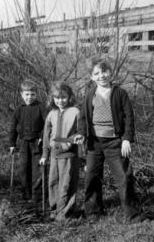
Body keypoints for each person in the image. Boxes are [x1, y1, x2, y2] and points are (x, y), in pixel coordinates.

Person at [74, 57, 142, 222]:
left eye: (104, 71)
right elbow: (83, 117)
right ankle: (93, 212)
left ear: (110, 72)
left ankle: (133, 214)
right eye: (96, 73)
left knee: (124, 176)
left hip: (115, 142)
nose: (101, 76)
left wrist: (126, 139)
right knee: (91, 176)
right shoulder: (90, 94)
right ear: (91, 77)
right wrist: (82, 133)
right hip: (94, 143)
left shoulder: (119, 93)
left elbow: (129, 117)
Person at [39, 81, 80, 221]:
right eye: (57, 98)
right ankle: (54, 210)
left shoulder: (75, 112)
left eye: (63, 97)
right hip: (54, 156)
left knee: (66, 185)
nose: (60, 101)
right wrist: (45, 154)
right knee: (53, 183)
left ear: (69, 97)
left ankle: (65, 214)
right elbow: (46, 136)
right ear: (53, 98)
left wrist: (64, 143)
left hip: (69, 156)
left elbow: (80, 134)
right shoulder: (52, 113)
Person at [9, 79, 45, 204]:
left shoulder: (41, 107)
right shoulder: (18, 109)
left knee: (37, 170)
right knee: (23, 169)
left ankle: (37, 196)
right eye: (27, 94)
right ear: (22, 95)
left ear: (36, 94)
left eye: (32, 94)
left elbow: (47, 125)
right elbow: (13, 127)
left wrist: (42, 136)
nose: (30, 97)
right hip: (24, 143)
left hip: (37, 143)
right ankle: (25, 194)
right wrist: (12, 144)